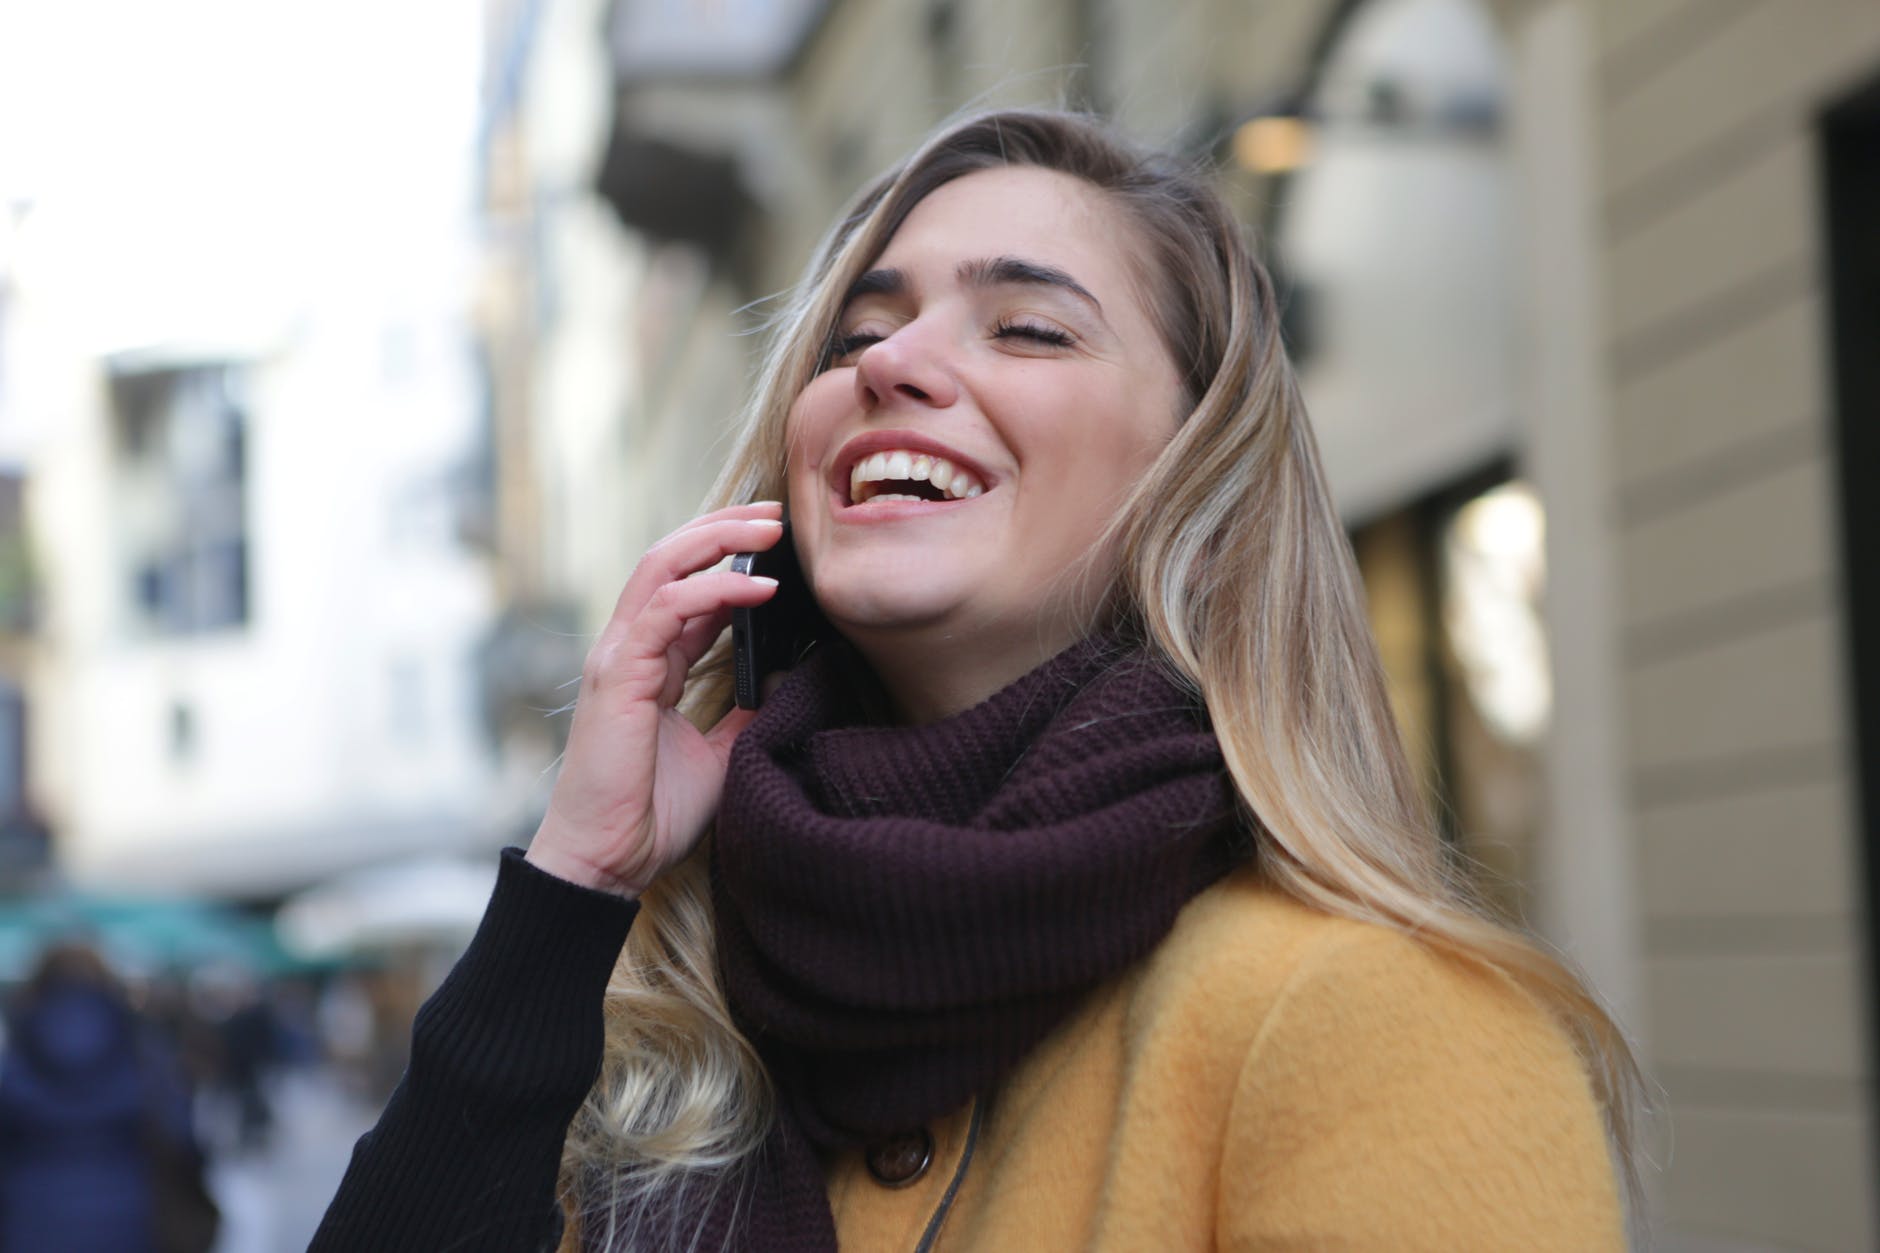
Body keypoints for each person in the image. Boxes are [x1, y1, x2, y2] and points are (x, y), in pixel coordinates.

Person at [313, 108, 1641, 1251]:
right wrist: (575, 876)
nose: (888, 361)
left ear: (1198, 468)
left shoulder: (1380, 1029)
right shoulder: (656, 1034)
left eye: (1028, 329)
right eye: (857, 333)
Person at [0, 943, 216, 1253]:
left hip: (30, 1219)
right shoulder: (140, 1047)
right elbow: (180, 1136)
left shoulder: (16, 1054)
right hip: (130, 1220)